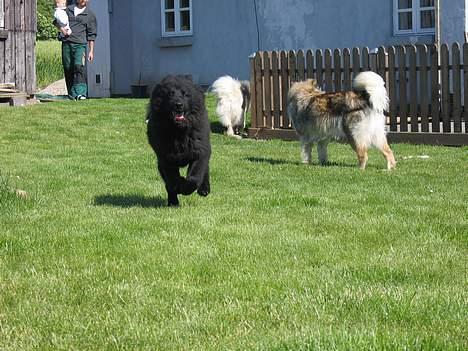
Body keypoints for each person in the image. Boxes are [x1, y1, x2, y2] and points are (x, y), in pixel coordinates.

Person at [55, 0, 97, 100]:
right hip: (66, 43)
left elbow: (92, 35)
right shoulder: (67, 10)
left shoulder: (90, 15)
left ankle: (81, 93)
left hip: (80, 45)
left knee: (79, 67)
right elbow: (56, 21)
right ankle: (71, 93)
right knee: (68, 67)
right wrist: (62, 30)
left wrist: (91, 51)